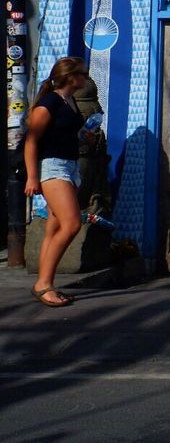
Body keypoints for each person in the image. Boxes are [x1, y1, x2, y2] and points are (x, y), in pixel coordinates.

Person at [24, 57, 90, 307]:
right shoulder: (48, 102)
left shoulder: (69, 100)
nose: (86, 77)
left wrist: (86, 138)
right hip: (52, 167)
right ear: (71, 77)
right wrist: (32, 177)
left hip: (69, 166)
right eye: (83, 73)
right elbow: (31, 141)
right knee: (71, 223)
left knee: (53, 227)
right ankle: (43, 285)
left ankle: (45, 282)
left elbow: (65, 133)